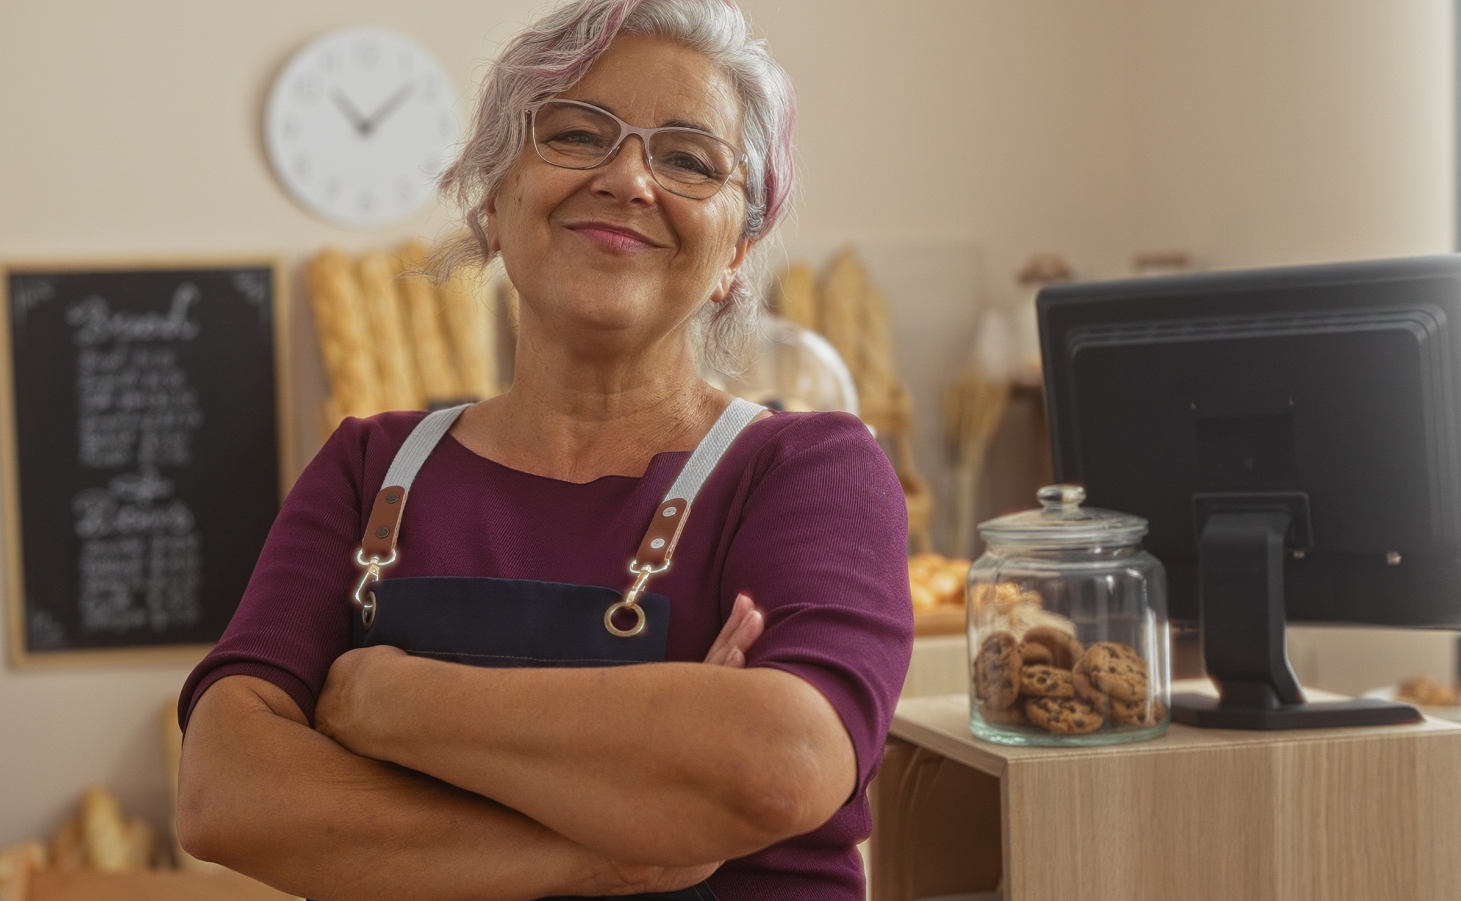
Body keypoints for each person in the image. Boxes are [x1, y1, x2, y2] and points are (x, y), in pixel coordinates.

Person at [174, 1, 912, 898]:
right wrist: (611, 855)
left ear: (736, 255)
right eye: (575, 133)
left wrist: (382, 700)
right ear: (493, 198)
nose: (631, 179)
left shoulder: (807, 473)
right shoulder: (373, 469)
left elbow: (782, 759)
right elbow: (225, 791)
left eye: (687, 158)